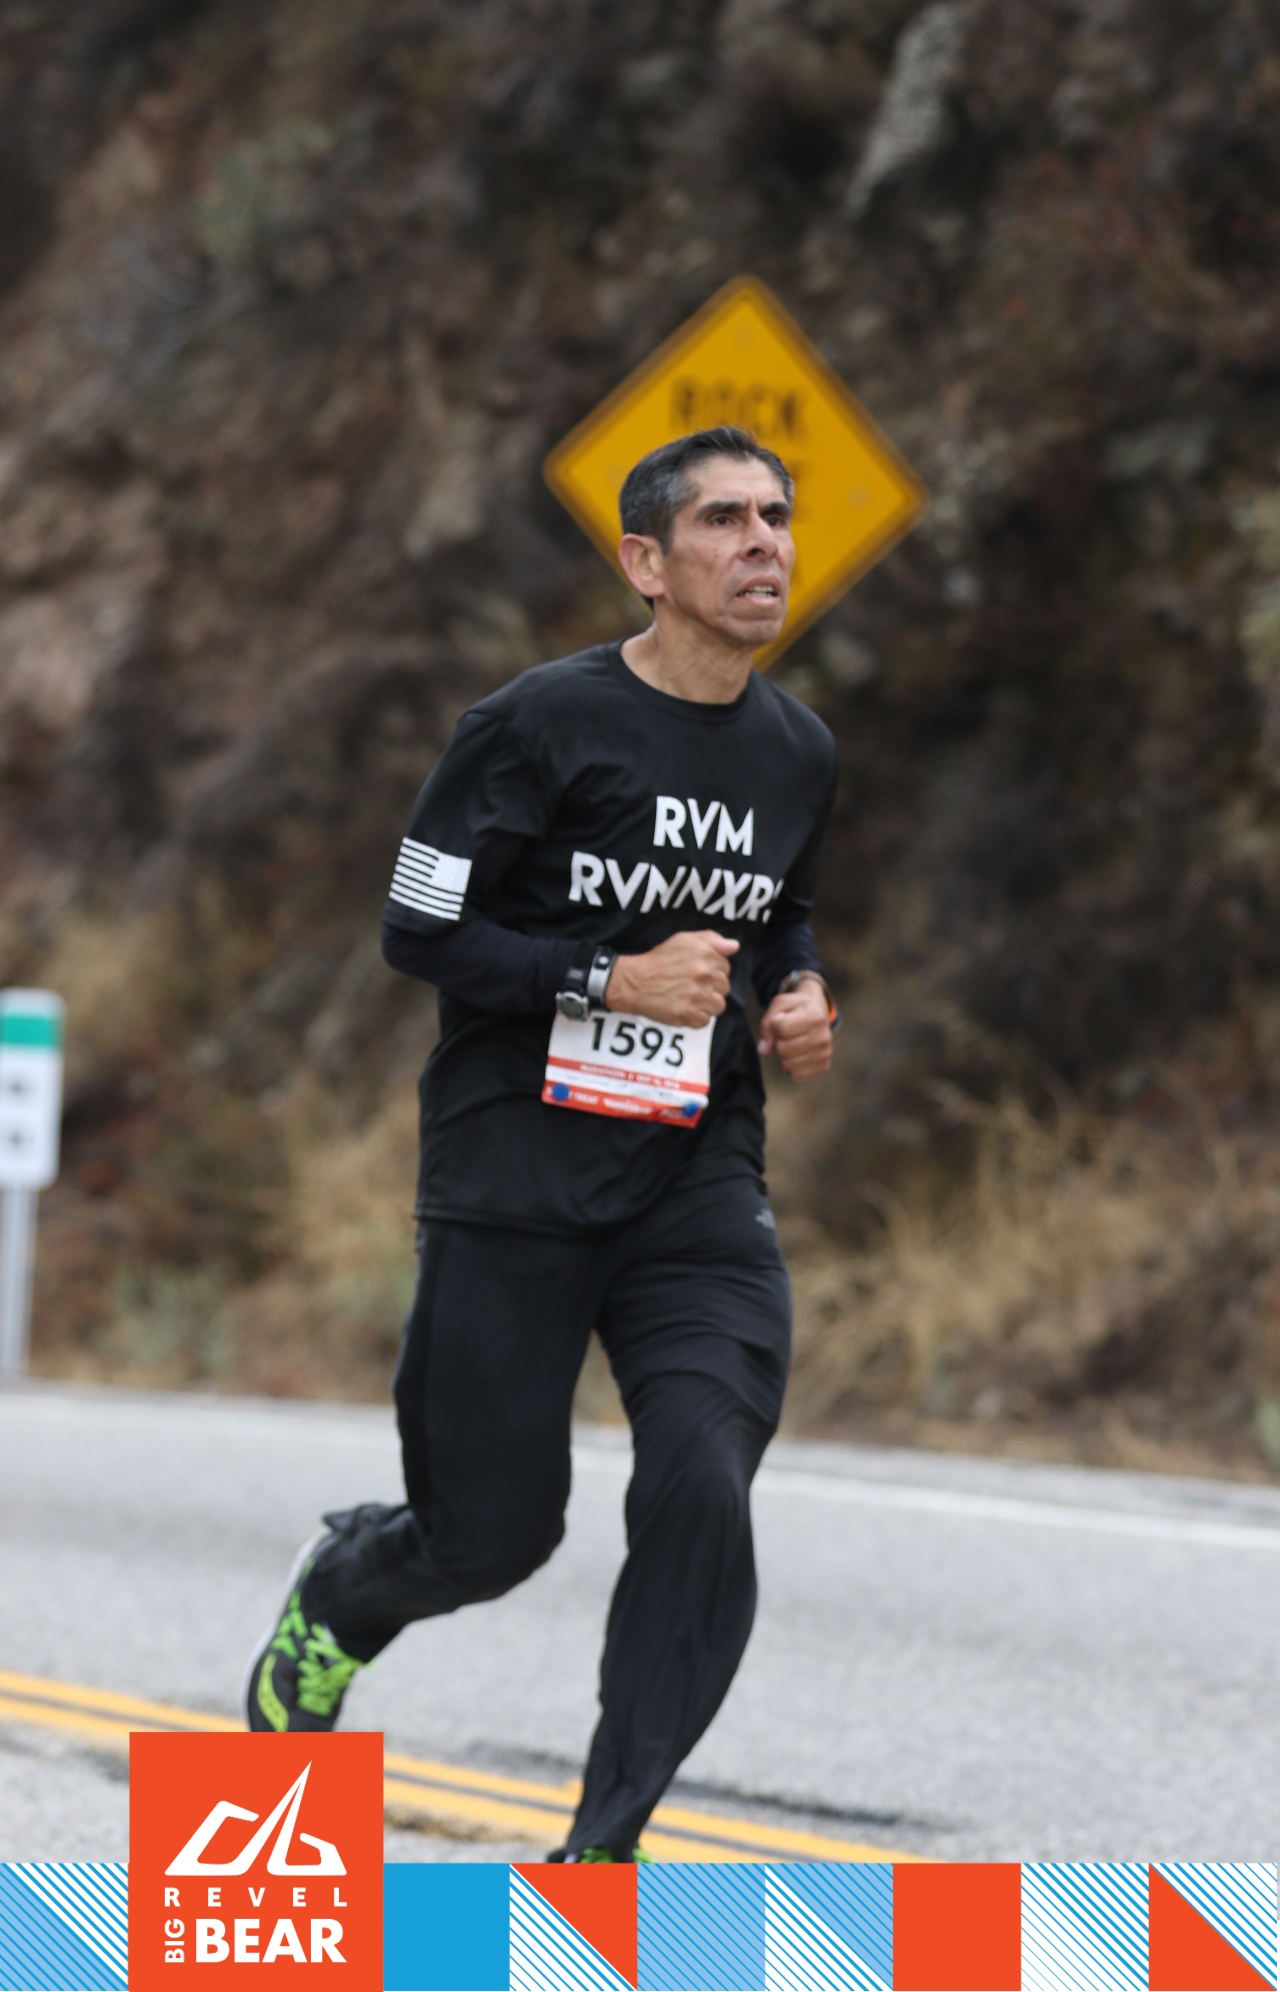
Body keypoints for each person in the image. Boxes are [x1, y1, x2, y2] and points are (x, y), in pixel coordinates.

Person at [244, 424, 839, 1863]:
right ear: (647, 562)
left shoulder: (799, 751)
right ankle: (342, 1594)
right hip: (515, 1172)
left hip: (695, 1179)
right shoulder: (530, 726)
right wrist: (606, 979)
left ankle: (601, 1853)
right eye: (724, 521)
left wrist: (800, 990)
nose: (763, 543)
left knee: (704, 1481)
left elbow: (780, 911)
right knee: (490, 1537)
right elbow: (417, 929)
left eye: (776, 517)